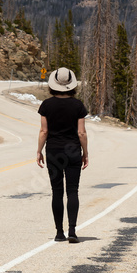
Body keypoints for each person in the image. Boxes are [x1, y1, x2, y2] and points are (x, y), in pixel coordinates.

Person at [36, 67, 89, 243]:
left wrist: (39, 151)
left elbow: (44, 131)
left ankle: (59, 232)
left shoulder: (46, 105)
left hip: (53, 152)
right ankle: (72, 230)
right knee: (73, 191)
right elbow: (81, 133)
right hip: (73, 151)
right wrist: (85, 153)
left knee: (57, 192)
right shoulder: (78, 105)